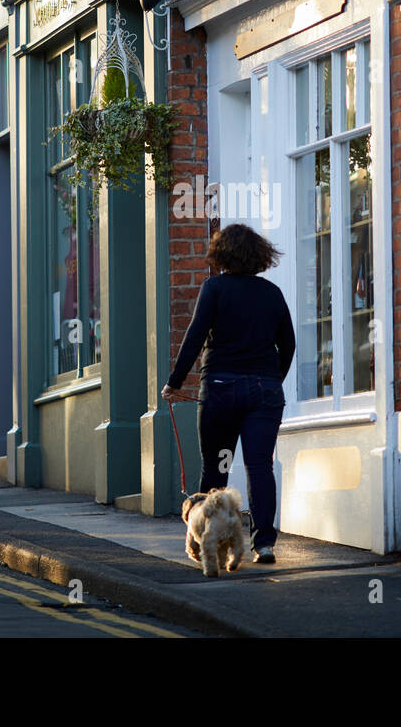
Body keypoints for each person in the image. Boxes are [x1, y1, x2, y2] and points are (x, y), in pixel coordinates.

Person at [161, 224, 295, 564]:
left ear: (221, 254)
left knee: (216, 469)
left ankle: (210, 543)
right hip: (264, 392)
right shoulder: (272, 294)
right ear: (259, 255)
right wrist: (270, 380)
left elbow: (194, 337)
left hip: (221, 390)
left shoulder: (214, 288)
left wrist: (175, 382)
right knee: (260, 466)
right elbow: (289, 344)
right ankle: (263, 543)